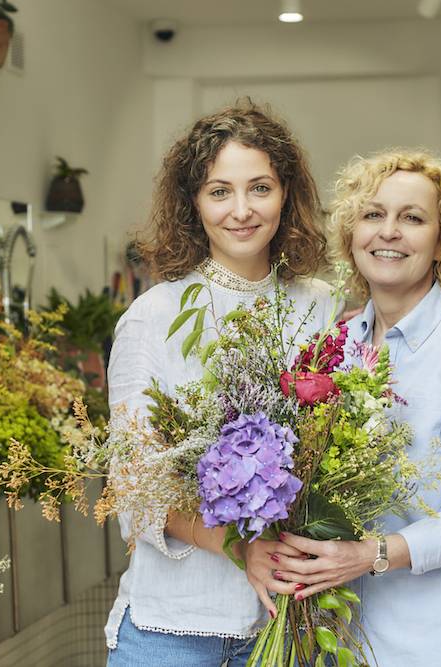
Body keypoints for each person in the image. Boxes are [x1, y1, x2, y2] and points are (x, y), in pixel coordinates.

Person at [266, 149, 441, 666]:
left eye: (413, 218)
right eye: (373, 214)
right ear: (350, 233)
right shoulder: (335, 346)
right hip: (359, 640)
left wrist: (372, 555)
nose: (389, 232)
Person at [104, 102, 336, 666]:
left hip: (294, 619)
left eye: (259, 188)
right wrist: (239, 546)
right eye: (218, 191)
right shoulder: (151, 317)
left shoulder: (322, 307)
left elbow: (342, 452)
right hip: (175, 628)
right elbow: (134, 492)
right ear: (192, 203)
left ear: (287, 194)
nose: (241, 211)